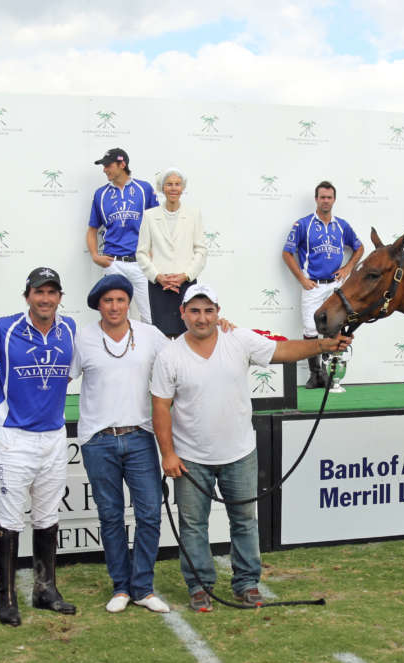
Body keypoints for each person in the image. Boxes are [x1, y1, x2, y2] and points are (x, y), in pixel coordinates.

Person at [151, 284, 351, 611]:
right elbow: (160, 406)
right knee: (193, 525)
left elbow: (282, 352)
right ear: (182, 313)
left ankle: (246, 583)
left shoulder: (239, 339)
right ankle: (200, 586)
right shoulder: (169, 355)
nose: (202, 318)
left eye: (209, 310)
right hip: (190, 459)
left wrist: (323, 345)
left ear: (218, 312)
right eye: (195, 311)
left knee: (244, 520)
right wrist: (168, 454)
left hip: (239, 453)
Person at [0, 267, 78, 626]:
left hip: (53, 435)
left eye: (52, 292)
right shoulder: (5, 328)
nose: (45, 298)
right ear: (27, 296)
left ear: (60, 298)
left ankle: (45, 590)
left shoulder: (71, 330)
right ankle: (5, 597)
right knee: (10, 519)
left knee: (48, 517)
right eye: (39, 292)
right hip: (14, 437)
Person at [71, 274, 171, 614]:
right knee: (111, 516)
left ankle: (142, 586)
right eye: (107, 301)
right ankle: (121, 587)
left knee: (149, 514)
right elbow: (59, 376)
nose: (114, 306)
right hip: (98, 441)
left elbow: (179, 360)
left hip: (140, 436)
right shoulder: (82, 338)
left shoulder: (150, 335)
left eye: (120, 300)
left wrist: (223, 327)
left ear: (129, 302)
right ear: (98, 305)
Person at [281, 180, 363, 388]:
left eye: (329, 197)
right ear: (316, 199)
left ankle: (331, 374)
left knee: (335, 327)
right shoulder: (303, 224)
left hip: (335, 286)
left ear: (334, 200)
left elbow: (359, 247)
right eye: (322, 197)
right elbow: (287, 253)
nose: (326, 201)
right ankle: (314, 374)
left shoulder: (342, 225)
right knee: (310, 329)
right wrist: (302, 278)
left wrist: (347, 268)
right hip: (313, 285)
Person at [87, 147, 159, 324]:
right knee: (113, 316)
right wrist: (96, 256)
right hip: (114, 263)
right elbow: (92, 230)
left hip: (140, 262)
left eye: (108, 165)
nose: (105, 169)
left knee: (151, 317)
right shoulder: (100, 194)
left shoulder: (144, 189)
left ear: (122, 164)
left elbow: (158, 223)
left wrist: (154, 252)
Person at [136, 167, 207, 337]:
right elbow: (141, 253)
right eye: (169, 184)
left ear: (182, 188)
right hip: (159, 285)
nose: (173, 188)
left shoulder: (193, 214)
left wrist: (185, 275)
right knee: (161, 336)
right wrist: (158, 276)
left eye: (177, 184)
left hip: (186, 284)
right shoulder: (149, 216)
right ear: (162, 188)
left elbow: (201, 250)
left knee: (189, 333)